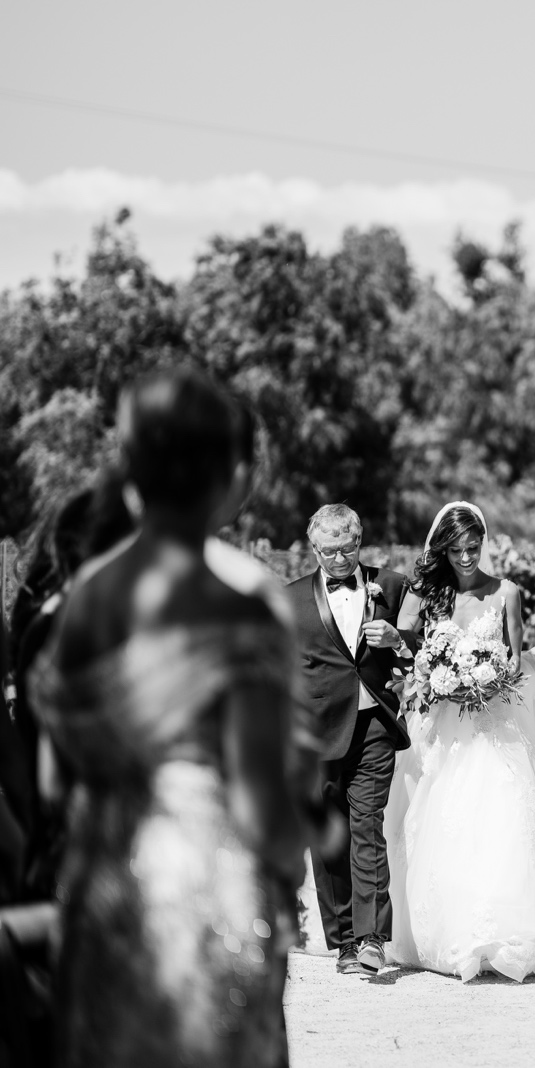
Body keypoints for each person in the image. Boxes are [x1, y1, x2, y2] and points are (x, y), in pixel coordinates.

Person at [28, 365, 304, 1066]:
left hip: (108, 893)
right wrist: (284, 877)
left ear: (129, 470)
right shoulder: (243, 605)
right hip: (208, 901)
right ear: (225, 475)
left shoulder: (87, 597)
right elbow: (263, 805)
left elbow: (55, 781)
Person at [383, 501, 535, 982]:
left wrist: (490, 677)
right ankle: (458, 941)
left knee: (506, 821)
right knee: (446, 823)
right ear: (444, 549)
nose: (466, 557)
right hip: (446, 726)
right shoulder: (429, 596)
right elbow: (410, 649)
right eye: (456, 550)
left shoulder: (507, 593)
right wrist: (438, 675)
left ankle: (510, 938)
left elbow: (517, 660)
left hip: (497, 723)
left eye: (473, 548)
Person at [284, 504, 410, 976]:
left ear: (362, 541)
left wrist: (397, 639)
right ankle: (343, 944)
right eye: (329, 551)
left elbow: (424, 645)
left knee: (366, 825)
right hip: (316, 734)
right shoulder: (291, 599)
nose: (339, 559)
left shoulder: (394, 585)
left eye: (348, 548)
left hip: (375, 723)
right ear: (314, 549)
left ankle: (372, 936)